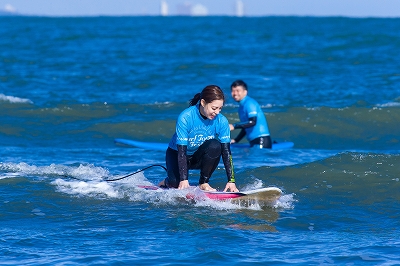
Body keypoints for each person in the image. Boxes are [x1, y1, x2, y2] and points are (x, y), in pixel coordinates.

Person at [158, 85, 239, 192]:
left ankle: (203, 183)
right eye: (214, 108)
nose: (217, 112)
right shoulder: (186, 117)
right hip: (177, 155)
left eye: (220, 108)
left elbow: (226, 152)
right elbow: (181, 151)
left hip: (198, 157)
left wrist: (231, 181)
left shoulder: (222, 121)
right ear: (203, 103)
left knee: (215, 145)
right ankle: (166, 181)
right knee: (174, 184)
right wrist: (183, 179)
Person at [229, 80, 272, 149]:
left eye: (237, 90)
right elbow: (246, 126)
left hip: (261, 140)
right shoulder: (241, 108)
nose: (235, 93)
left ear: (245, 92)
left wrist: (234, 126)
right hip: (253, 142)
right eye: (233, 91)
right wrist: (236, 140)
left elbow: (252, 122)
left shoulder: (249, 103)